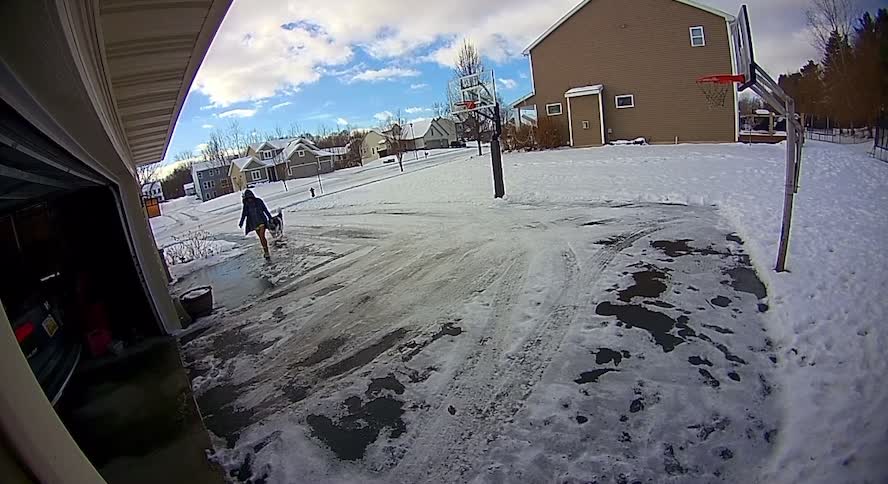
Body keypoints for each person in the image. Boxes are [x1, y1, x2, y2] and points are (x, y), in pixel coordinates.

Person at [238, 189, 273, 260]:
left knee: (262, 236)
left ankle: (266, 252)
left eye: (250, 198)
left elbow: (265, 210)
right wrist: (241, 222)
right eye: (248, 198)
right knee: (260, 237)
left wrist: (270, 217)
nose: (250, 199)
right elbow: (244, 214)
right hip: (254, 223)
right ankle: (265, 250)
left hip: (261, 221)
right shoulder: (246, 204)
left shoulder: (259, 201)